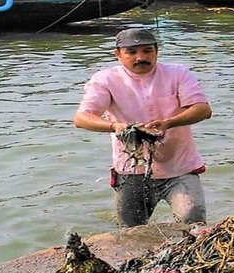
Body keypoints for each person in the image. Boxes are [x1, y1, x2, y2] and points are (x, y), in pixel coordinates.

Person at [73, 28, 212, 228]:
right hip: (131, 169)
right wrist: (115, 126)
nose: (140, 57)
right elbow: (82, 118)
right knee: (130, 232)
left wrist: (169, 122)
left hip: (179, 167)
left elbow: (203, 110)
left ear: (156, 51)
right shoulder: (105, 80)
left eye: (147, 51)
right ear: (118, 54)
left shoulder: (178, 73)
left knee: (194, 224)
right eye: (131, 52)